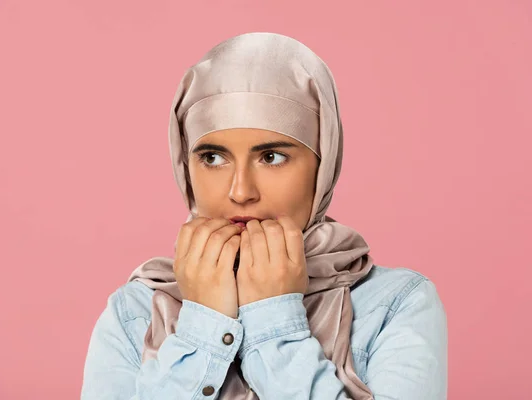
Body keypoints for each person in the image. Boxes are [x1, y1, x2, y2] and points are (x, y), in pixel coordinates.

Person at [80, 32, 448, 400]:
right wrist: (203, 324)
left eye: (271, 156)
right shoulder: (134, 312)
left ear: (322, 166)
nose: (240, 192)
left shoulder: (395, 305)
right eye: (212, 157)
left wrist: (272, 320)